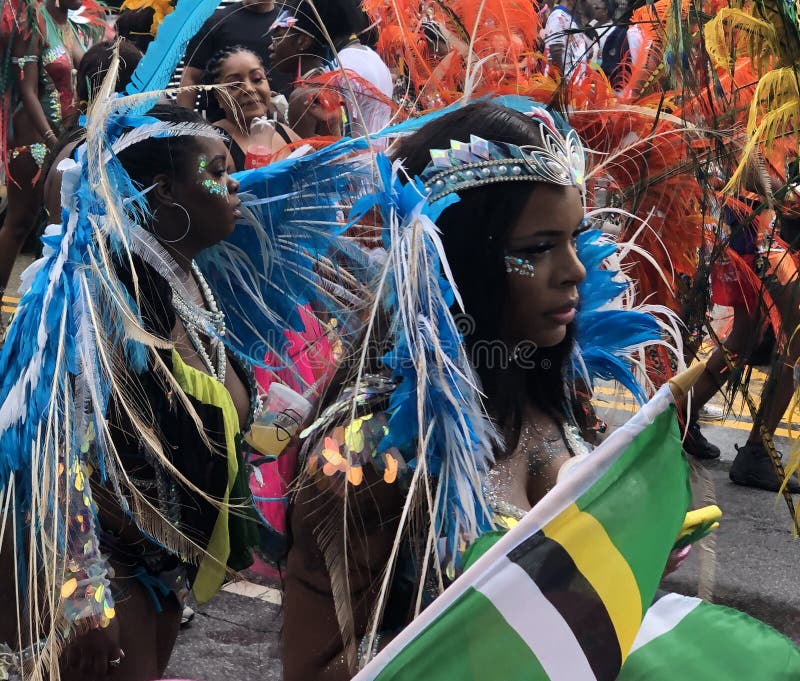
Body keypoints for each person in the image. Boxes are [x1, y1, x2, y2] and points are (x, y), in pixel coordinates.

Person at [282, 100, 677, 680]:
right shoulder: (368, 450)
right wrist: (505, 624)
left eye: (574, 238)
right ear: (458, 260)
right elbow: (314, 668)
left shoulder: (559, 392)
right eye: (537, 248)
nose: (575, 271)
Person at [0, 102, 265, 681]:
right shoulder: (104, 296)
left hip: (162, 567)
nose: (234, 182)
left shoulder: (182, 275)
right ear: (166, 192)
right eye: (217, 171)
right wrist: (84, 598)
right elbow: (53, 445)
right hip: (111, 573)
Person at [0, 0, 104, 309]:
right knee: (19, 222)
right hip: (33, 140)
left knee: (56, 226)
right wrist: (50, 139)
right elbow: (28, 90)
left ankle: (44, 308)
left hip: (64, 141)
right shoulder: (34, 23)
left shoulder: (72, 28)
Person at [269, 0, 394, 136]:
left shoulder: (338, 71)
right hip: (380, 155)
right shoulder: (371, 57)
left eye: (278, 37)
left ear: (303, 41)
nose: (271, 46)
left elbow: (313, 148)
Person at [177, 0, 289, 114]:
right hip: (222, 124)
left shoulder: (290, 23)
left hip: (280, 120)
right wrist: (184, 125)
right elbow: (191, 78)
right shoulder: (214, 22)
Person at [201, 45, 300, 171]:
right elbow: (205, 185)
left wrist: (331, 118)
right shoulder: (211, 143)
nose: (249, 89)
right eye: (235, 85)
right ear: (218, 97)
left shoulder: (284, 131)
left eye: (257, 79)